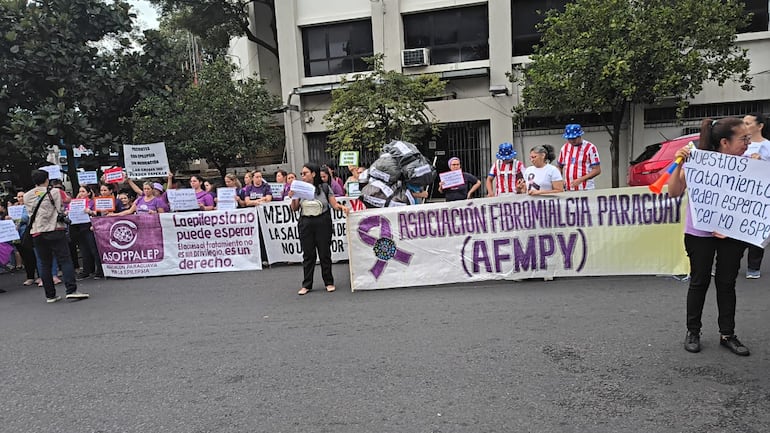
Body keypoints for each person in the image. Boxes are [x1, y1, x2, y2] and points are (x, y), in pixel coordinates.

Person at [667, 117, 751, 356]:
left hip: (732, 234)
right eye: (743, 139)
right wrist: (680, 163)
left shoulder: (748, 165)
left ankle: (728, 334)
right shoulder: (697, 160)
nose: (747, 143)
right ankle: (693, 331)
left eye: (748, 138)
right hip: (699, 234)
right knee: (699, 281)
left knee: (727, 283)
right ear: (725, 142)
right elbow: (674, 192)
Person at [23, 170, 89, 303]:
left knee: (45, 264)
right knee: (64, 259)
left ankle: (50, 295)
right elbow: (68, 200)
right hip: (55, 229)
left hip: (37, 232)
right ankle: (71, 290)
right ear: (47, 179)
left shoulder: (26, 195)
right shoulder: (55, 191)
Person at [288, 162, 349, 296]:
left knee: (324, 253)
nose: (303, 176)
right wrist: (293, 196)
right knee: (308, 255)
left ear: (313, 174)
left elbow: (334, 204)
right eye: (301, 174)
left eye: (305, 173)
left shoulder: (325, 187)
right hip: (306, 222)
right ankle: (306, 284)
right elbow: (294, 209)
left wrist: (342, 207)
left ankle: (329, 282)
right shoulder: (299, 188)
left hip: (322, 221)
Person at [742, 112, 770, 279]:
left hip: (761, 197)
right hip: (740, 195)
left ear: (760, 126)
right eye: (743, 123)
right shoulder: (739, 145)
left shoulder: (768, 146)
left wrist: (762, 163)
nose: (744, 126)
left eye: (748, 123)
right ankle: (726, 263)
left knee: (757, 229)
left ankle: (754, 266)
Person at [70, 186, 104, 279]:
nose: (81, 193)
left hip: (89, 226)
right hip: (79, 227)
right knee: (84, 250)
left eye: (83, 191)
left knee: (94, 249)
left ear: (88, 193)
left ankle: (100, 271)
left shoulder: (92, 202)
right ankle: (87, 270)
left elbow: (97, 214)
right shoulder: (75, 203)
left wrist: (90, 211)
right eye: (80, 191)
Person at [557, 124, 602, 191]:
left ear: (580, 135)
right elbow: (559, 166)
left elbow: (597, 170)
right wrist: (560, 180)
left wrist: (580, 180)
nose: (572, 141)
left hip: (586, 188)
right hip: (568, 188)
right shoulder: (564, 148)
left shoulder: (590, 148)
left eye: (574, 138)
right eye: (569, 139)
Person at [13, 191, 37, 286]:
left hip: (27, 234)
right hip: (17, 236)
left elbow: (27, 218)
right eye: (18, 197)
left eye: (22, 196)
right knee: (25, 258)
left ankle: (38, 276)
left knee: (32, 255)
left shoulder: (28, 206)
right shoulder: (13, 208)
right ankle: (30, 277)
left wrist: (16, 218)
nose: (20, 198)